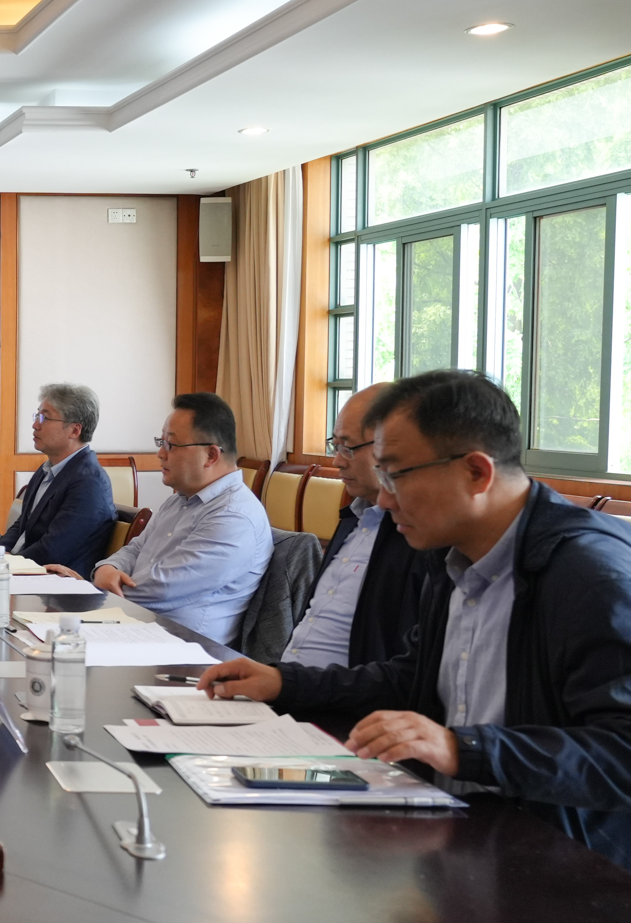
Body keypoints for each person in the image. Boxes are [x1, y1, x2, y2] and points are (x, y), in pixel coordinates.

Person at [200, 370, 631, 870]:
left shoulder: (588, 575)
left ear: (476, 472)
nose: (384, 499)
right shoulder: (452, 555)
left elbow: (621, 753)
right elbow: (410, 677)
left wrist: (463, 749)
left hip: (559, 871)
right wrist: (284, 682)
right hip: (453, 841)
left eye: (396, 476)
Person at [59, 392, 270, 646]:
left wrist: (96, 589)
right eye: (161, 442)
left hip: (183, 652)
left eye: (171, 445)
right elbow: (135, 550)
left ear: (211, 455)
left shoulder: (233, 517)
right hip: (134, 629)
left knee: (58, 648)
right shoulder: (179, 500)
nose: (160, 453)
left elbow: (164, 588)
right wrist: (108, 568)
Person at [281, 382, 440, 668]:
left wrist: (289, 683)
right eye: (336, 446)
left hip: (344, 692)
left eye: (348, 448)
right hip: (291, 680)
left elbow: (404, 667)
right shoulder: (352, 517)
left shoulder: (421, 537)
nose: (337, 461)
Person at [0, 383, 117, 577]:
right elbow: (23, 525)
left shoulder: (88, 482)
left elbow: (53, 549)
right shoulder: (47, 469)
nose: (35, 425)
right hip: (27, 571)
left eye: (44, 418)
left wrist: (9, 564)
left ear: (74, 431)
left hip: (58, 582)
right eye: (37, 416)